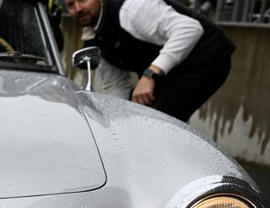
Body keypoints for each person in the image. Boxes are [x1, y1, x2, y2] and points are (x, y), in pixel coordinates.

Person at [65, 0, 235, 122]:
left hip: (206, 57)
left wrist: (150, 74)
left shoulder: (132, 9)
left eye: (83, 0)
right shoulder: (94, 39)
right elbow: (117, 85)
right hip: (168, 72)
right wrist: (117, 120)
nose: (78, 8)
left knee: (159, 121)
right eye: (70, 5)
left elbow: (190, 29)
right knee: (139, 119)